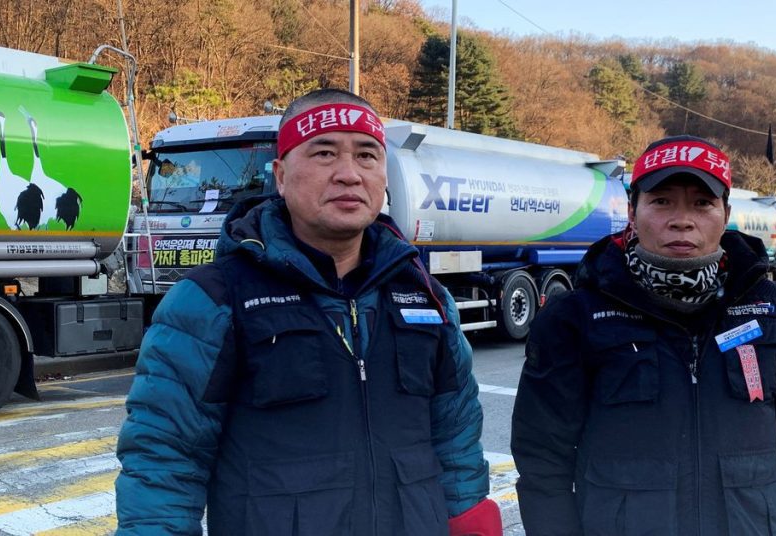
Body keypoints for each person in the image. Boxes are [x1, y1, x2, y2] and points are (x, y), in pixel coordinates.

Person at [116, 88, 501, 536]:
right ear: (280, 175)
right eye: (324, 153)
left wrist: (471, 523)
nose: (349, 174)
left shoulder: (427, 298)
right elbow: (163, 458)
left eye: (366, 156)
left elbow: (456, 441)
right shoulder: (212, 300)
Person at [511, 135, 776, 535]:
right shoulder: (575, 316)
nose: (682, 219)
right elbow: (542, 460)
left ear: (726, 213)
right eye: (662, 201)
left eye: (702, 203)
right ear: (633, 211)